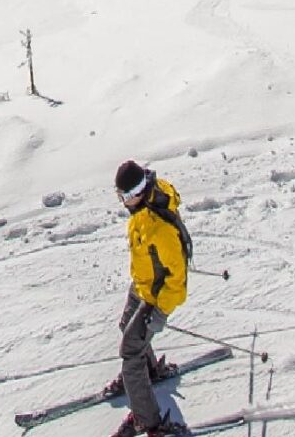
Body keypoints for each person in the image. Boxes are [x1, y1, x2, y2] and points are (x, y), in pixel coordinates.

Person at [108, 159, 190, 437]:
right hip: (142, 284)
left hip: (154, 296)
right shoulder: (145, 205)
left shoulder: (158, 226)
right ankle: (149, 372)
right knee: (125, 326)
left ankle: (148, 421)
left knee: (130, 352)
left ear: (137, 193)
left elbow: (177, 280)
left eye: (124, 197)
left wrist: (160, 312)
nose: (122, 203)